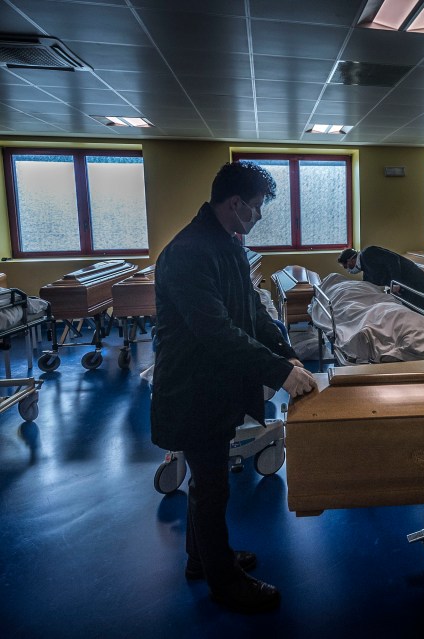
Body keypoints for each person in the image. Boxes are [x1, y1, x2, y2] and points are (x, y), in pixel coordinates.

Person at [151, 161, 318, 613]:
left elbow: (252, 311)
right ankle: (224, 581)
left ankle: (200, 559)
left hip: (212, 384)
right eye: (258, 206)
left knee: (209, 482)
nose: (260, 215)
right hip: (191, 389)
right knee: (211, 487)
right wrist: (279, 373)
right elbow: (216, 331)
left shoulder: (224, 244)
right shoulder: (188, 252)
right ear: (236, 203)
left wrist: (285, 351)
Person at [337, 245, 424, 310]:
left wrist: (396, 283)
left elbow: (393, 260)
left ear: (351, 260)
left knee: (417, 310)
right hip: (403, 286)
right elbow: (367, 286)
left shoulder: (368, 253)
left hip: (414, 279)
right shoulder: (366, 272)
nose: (348, 270)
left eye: (346, 266)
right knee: (407, 310)